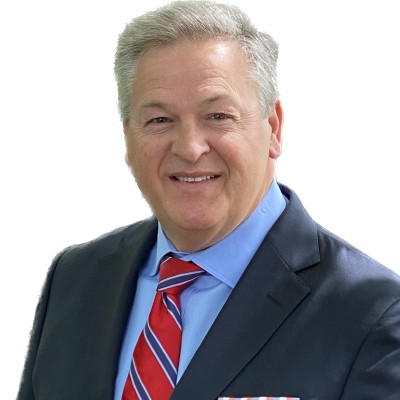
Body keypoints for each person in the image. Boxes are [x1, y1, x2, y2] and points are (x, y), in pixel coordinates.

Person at [17, 1, 400, 399]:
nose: (189, 148)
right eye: (159, 120)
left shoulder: (374, 314)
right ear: (128, 136)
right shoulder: (74, 279)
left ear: (273, 128)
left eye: (218, 116)